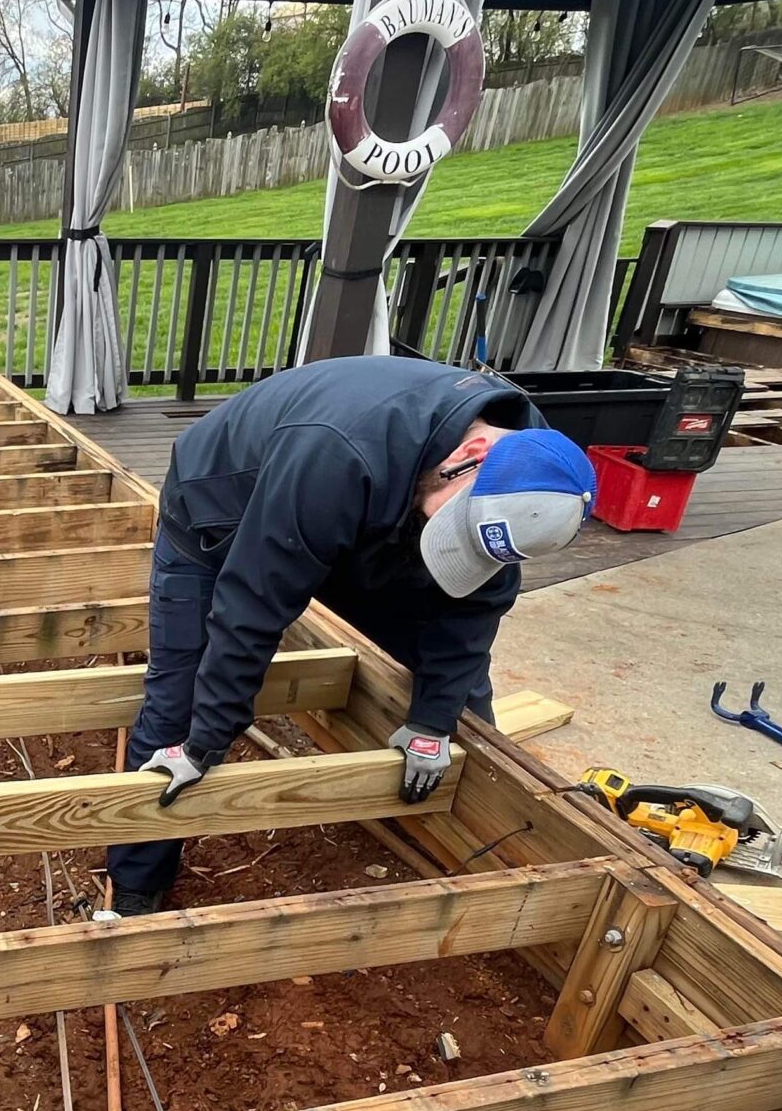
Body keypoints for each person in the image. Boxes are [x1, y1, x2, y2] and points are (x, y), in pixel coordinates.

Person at [104, 356, 596, 915]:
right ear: (468, 456)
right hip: (220, 515)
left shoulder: (533, 466)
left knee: (459, 699)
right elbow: (251, 607)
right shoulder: (334, 453)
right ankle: (138, 885)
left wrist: (433, 726)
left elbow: (473, 609)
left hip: (375, 511)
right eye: (453, 525)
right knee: (181, 705)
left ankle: (454, 840)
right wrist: (205, 743)